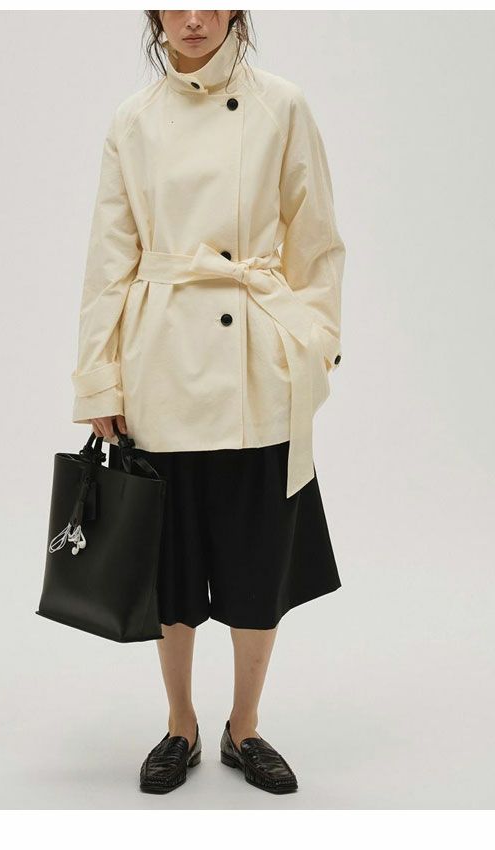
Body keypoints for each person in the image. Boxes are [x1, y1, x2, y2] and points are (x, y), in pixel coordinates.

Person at [70, 10, 345, 795]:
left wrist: (312, 344)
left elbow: (317, 240)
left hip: (258, 362)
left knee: (259, 560)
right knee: (173, 564)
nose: (193, 18)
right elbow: (109, 261)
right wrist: (100, 379)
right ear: (153, 13)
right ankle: (180, 724)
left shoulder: (281, 105)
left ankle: (244, 726)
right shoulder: (133, 121)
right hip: (162, 364)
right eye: (175, 2)